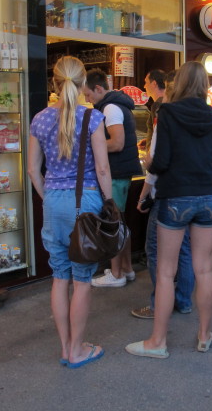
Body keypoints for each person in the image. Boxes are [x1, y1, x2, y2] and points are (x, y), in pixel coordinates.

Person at [126, 61, 212, 358]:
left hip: (175, 198)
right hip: (207, 197)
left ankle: (158, 342)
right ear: (205, 85)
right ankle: (204, 334)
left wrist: (148, 164)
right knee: (204, 269)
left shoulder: (168, 113)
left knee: (166, 270)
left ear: (179, 83)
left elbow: (162, 160)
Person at [28, 56, 112, 368]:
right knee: (83, 279)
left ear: (55, 81)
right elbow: (102, 168)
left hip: (52, 203)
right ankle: (78, 349)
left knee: (60, 277)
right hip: (85, 202)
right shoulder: (92, 118)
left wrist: (48, 196)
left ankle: (66, 347)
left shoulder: (39, 119)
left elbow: (33, 171)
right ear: (82, 84)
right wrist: (109, 203)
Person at [131, 70, 195, 319]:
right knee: (186, 249)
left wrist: (144, 195)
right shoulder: (197, 116)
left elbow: (154, 164)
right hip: (190, 192)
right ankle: (184, 301)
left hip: (166, 194)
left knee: (156, 250)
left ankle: (160, 305)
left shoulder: (165, 117)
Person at [84, 69, 143, 288]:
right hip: (121, 172)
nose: (88, 101)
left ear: (98, 89)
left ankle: (116, 274)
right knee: (121, 223)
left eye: (89, 96)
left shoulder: (109, 108)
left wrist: (89, 147)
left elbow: (117, 142)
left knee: (113, 223)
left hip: (116, 173)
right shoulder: (115, 105)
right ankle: (126, 269)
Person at [139, 69, 166, 151]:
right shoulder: (167, 101)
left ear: (154, 83)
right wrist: (148, 140)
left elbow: (159, 133)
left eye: (146, 82)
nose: (144, 86)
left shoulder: (157, 105)